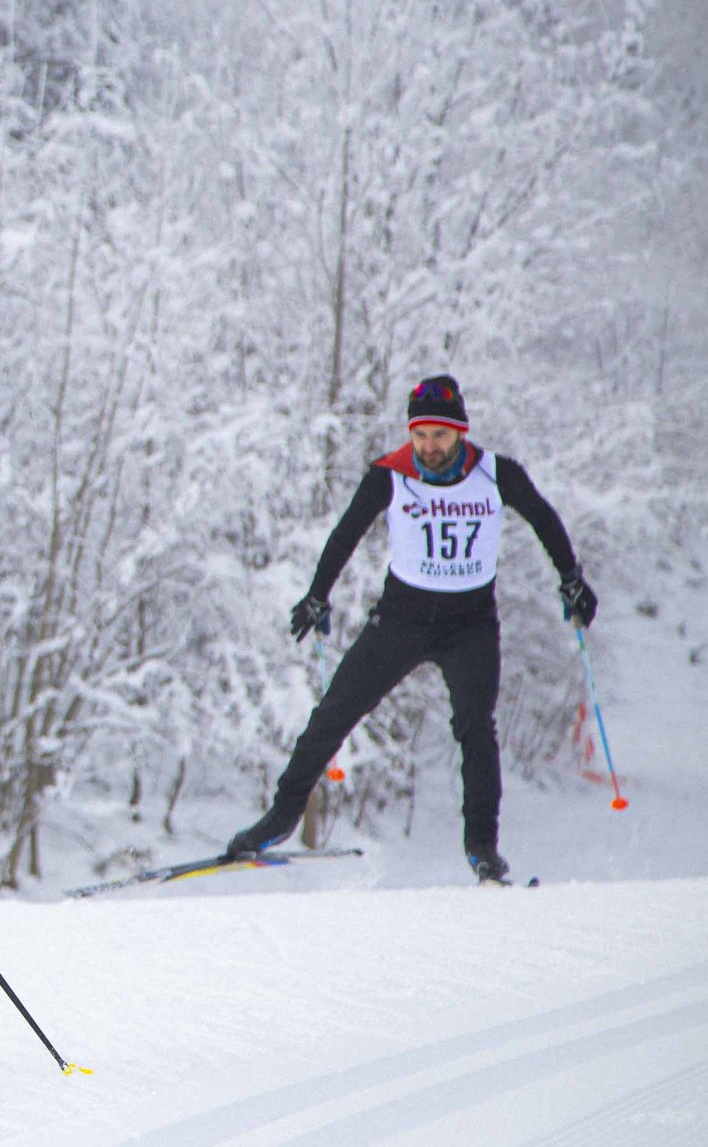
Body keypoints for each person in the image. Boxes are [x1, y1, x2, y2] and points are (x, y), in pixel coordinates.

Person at [225, 375, 597, 883]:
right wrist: (317, 595)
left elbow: (544, 520)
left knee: (475, 728)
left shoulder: (497, 475)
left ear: (460, 433)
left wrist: (571, 578)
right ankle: (282, 816)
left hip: (470, 625)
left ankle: (482, 847)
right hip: (402, 618)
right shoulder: (391, 474)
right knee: (334, 712)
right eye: (420, 435)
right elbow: (346, 534)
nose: (428, 447)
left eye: (439, 437)